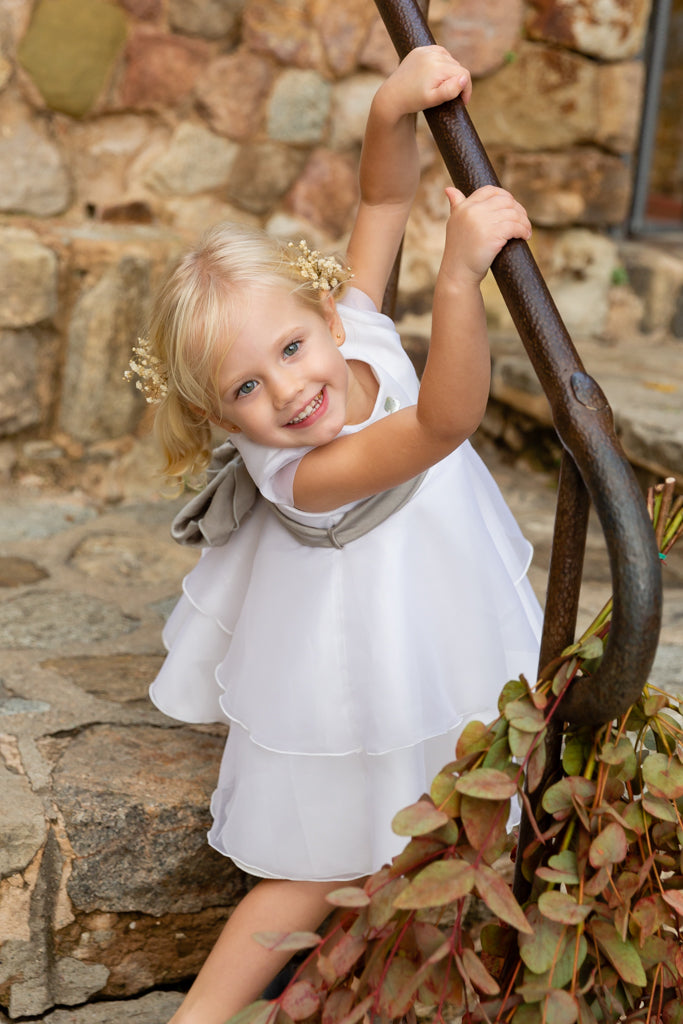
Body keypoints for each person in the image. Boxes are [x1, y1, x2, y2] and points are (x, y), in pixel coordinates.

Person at [130, 44, 542, 1024]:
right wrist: (456, 282)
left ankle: (376, 984)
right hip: (352, 640)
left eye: (287, 348)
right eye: (246, 390)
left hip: (432, 592)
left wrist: (392, 109)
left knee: (439, 801)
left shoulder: (349, 327)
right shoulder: (304, 470)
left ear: (321, 306)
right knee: (311, 862)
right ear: (226, 421)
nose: (289, 390)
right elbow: (441, 422)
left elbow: (384, 203)